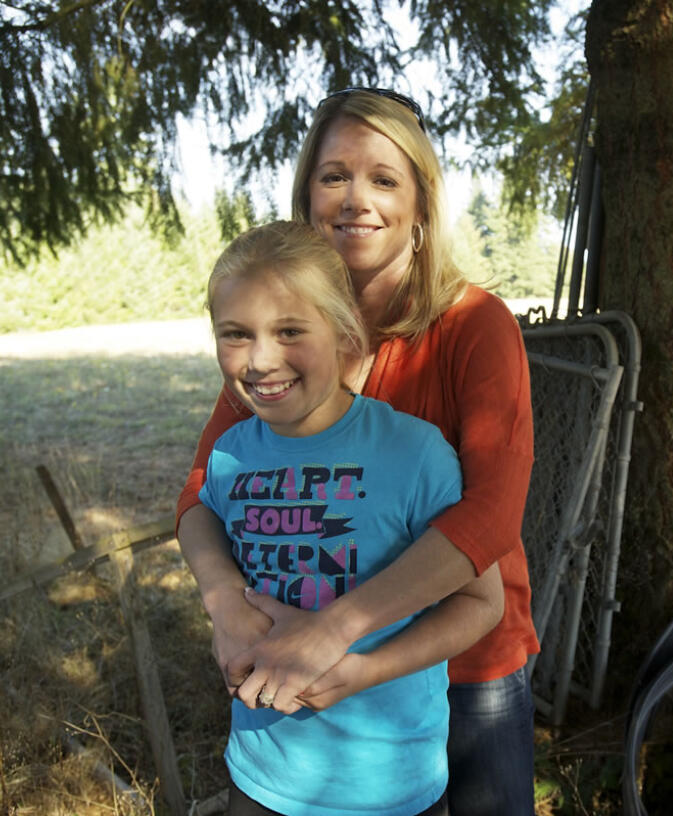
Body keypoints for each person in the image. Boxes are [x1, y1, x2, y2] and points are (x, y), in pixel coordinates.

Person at [177, 88, 539, 815]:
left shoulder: (473, 324)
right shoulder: (282, 338)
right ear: (308, 194)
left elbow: (491, 517)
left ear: (421, 203)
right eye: (334, 176)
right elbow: (202, 492)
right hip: (311, 695)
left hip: (461, 661)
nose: (355, 199)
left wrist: (336, 632)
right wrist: (226, 605)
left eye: (383, 178)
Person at [198, 219, 503, 816]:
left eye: (289, 330)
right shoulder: (231, 452)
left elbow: (481, 603)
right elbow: (205, 519)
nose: (261, 360)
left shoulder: (415, 454)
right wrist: (224, 606)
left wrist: (364, 670)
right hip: (260, 776)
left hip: (389, 788)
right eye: (235, 334)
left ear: (342, 334)